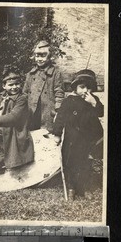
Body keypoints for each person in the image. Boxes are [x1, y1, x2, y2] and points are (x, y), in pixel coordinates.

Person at [52, 69, 104, 200]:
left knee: (86, 164)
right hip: (72, 139)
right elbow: (60, 118)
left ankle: (85, 188)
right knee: (71, 163)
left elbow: (101, 112)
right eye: (82, 87)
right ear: (75, 87)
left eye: (89, 87)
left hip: (89, 138)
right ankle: (71, 188)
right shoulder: (69, 101)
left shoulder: (92, 99)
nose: (86, 90)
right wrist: (57, 134)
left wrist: (93, 102)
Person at [23, 40, 65, 132]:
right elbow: (24, 94)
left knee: (46, 136)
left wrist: (58, 112)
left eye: (43, 55)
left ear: (50, 57)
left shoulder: (55, 73)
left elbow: (59, 93)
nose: (39, 59)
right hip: (32, 112)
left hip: (47, 112)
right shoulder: (30, 74)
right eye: (37, 56)